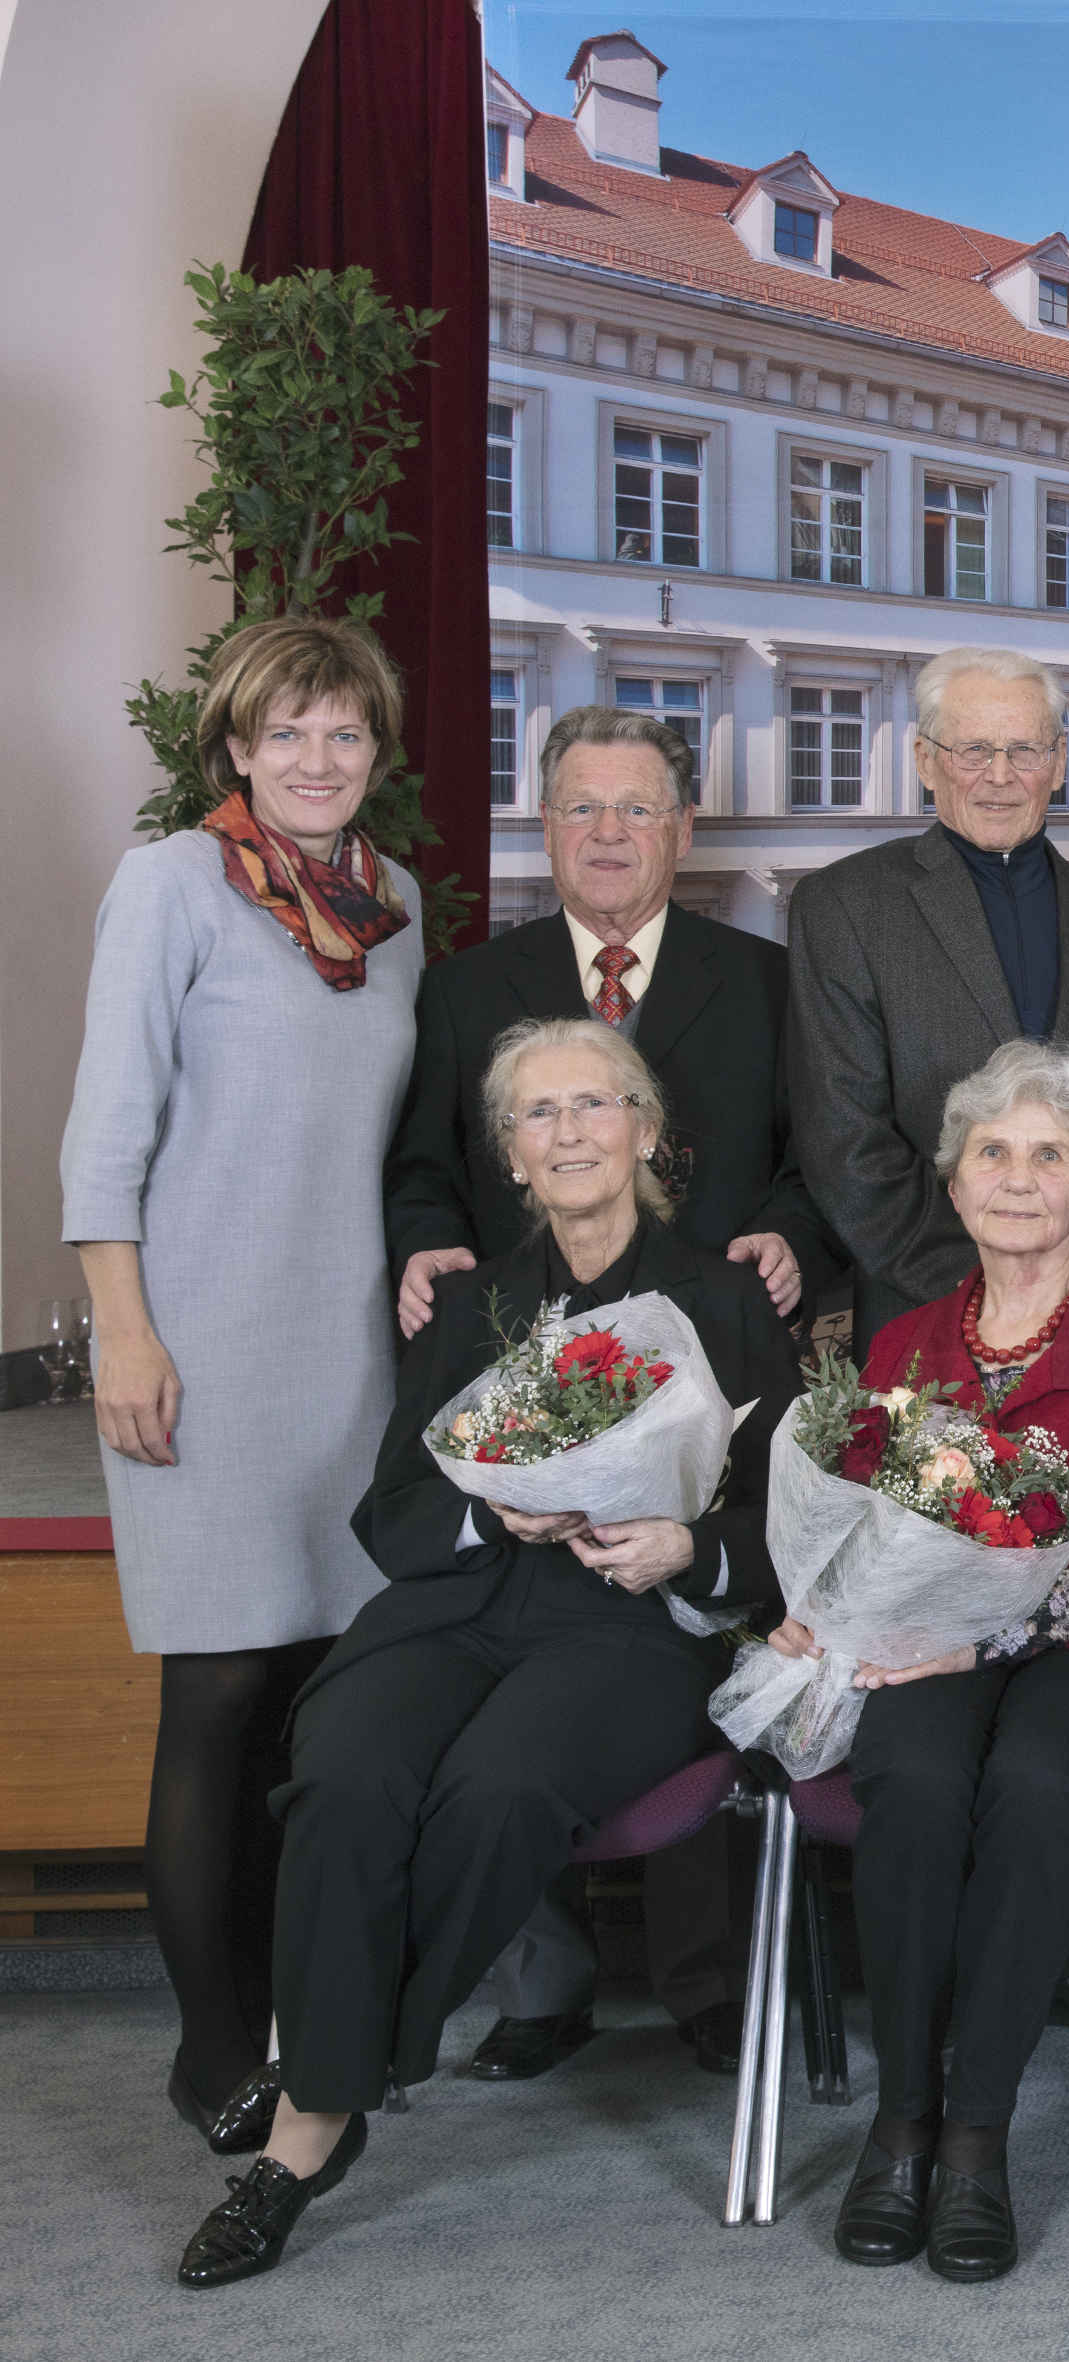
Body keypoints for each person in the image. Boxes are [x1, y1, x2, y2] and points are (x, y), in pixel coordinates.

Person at [173, 1019, 799, 2287]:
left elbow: (796, 1521)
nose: (568, 1132)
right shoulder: (470, 1302)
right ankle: (345, 2070)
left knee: (499, 1788)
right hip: (457, 1606)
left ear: (645, 1130)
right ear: (511, 1154)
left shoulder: (726, 1296)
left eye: (593, 1104)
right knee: (346, 1775)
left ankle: (309, 2117)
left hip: (627, 1623)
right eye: (537, 1113)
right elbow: (393, 1509)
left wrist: (688, 1545)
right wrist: (484, 1510)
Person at [384, 700, 828, 2084]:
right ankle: (543, 1980)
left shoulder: (765, 980)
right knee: (518, 1650)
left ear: (682, 829)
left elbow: (817, 1157)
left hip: (712, 1364)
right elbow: (421, 1166)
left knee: (690, 1623)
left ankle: (702, 1973)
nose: (609, 833)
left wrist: (790, 1236)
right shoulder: (468, 987)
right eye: (582, 806)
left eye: (638, 807)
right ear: (545, 825)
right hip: (517, 1366)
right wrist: (424, 1244)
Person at [60, 616, 423, 2162]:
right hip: (199, 1344)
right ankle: (209, 2041)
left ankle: (289, 2012)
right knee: (214, 1692)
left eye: (344, 732)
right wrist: (123, 1332)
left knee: (305, 1700)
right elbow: (106, 1128)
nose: (316, 759)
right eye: (287, 733)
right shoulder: (171, 883)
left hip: (346, 1354)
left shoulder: (393, 904)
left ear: (375, 751)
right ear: (234, 748)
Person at [782, 1039, 1069, 2285]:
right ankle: (901, 2118)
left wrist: (995, 1634)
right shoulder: (901, 1344)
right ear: (956, 1181)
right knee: (912, 1777)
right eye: (993, 1153)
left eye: (1049, 1155)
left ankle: (976, 2131)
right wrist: (820, 1609)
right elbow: (856, 1525)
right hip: (926, 1642)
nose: (1018, 1178)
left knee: (1034, 1779)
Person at [787, 647, 1069, 1338]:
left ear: (1058, 762)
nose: (1000, 776)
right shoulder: (845, 907)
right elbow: (845, 1141)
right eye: (972, 750)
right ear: (925, 760)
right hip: (922, 1317)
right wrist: (989, 1297)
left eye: (1025, 750)